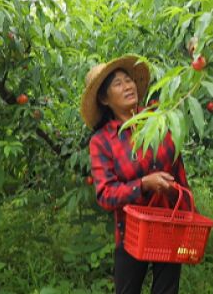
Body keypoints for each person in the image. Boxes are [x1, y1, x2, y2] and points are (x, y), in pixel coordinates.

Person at [80, 54, 192, 294]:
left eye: (128, 80)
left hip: (168, 223)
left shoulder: (159, 119)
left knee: (167, 290)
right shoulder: (102, 141)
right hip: (131, 233)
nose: (128, 86)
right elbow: (105, 194)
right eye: (117, 84)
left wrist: (180, 198)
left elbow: (178, 169)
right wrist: (143, 184)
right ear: (104, 98)